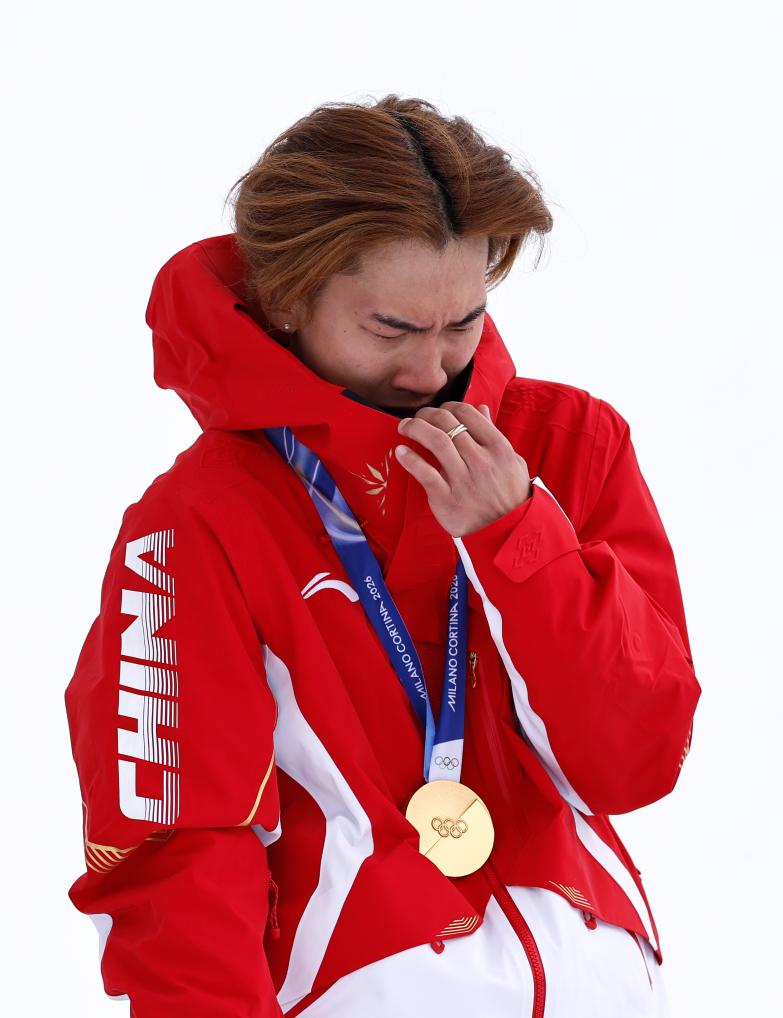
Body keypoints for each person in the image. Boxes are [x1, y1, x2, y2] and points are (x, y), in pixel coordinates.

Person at [64, 95, 701, 1017]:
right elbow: (174, 860)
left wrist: (517, 538)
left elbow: (632, 763)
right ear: (288, 298)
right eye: (391, 330)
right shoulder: (198, 521)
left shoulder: (568, 449)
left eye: (463, 322)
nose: (431, 371)